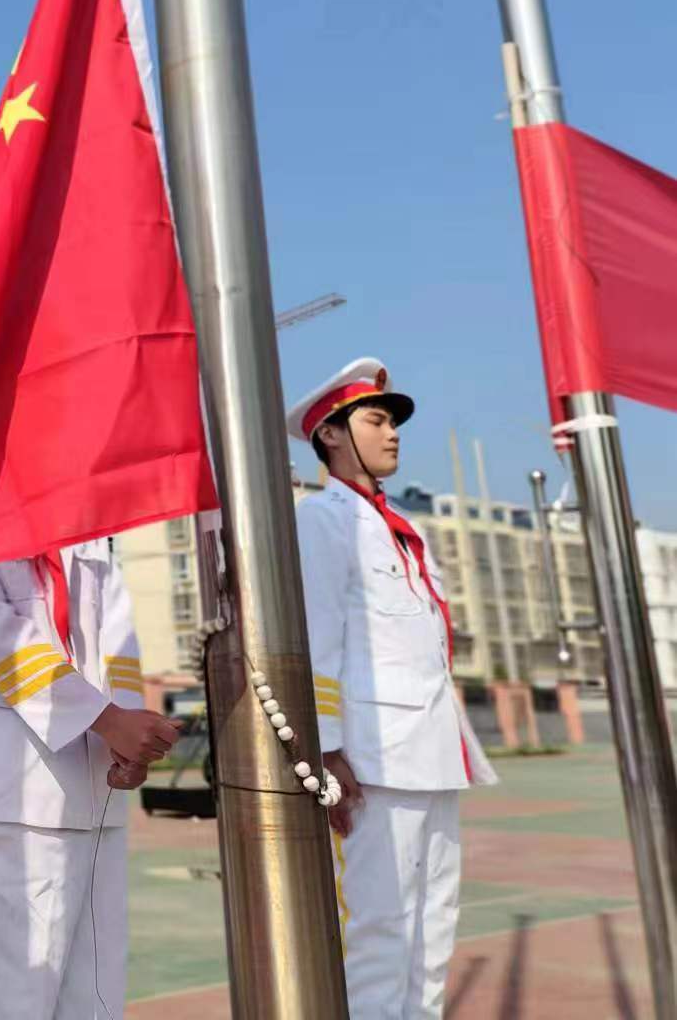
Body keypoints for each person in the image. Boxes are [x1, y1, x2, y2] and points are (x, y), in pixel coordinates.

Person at [288, 358, 496, 1019]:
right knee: (381, 933)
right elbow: (317, 639)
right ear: (330, 435)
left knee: (433, 931)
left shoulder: (403, 529)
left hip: (430, 750)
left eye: (391, 421)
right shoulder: (321, 520)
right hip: (373, 756)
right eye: (375, 420)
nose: (393, 434)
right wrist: (328, 748)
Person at [0, 538, 181, 1018]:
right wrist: (109, 721)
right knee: (16, 995)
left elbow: (119, 637)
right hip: (13, 792)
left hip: (99, 788)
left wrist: (129, 736)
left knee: (97, 995)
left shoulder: (84, 531)